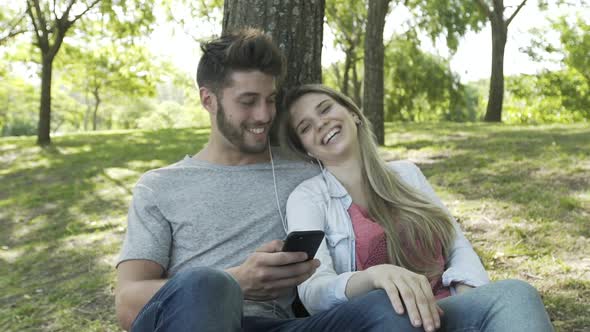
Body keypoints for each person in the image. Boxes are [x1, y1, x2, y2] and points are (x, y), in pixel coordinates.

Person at [115, 28, 445, 332]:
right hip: (196, 319)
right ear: (208, 100)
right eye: (248, 102)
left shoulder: (309, 172)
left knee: (388, 309)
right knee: (204, 284)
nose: (263, 115)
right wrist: (238, 281)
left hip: (281, 326)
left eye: (270, 99)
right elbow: (127, 303)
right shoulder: (159, 186)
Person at [280, 84, 555, 332]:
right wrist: (373, 277)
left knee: (517, 294)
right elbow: (313, 290)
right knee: (395, 315)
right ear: (307, 151)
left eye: (325, 109)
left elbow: (456, 244)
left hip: (448, 309)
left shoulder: (407, 174)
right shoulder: (307, 198)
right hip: (386, 320)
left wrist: (469, 294)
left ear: (353, 113)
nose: (320, 124)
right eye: (305, 127)